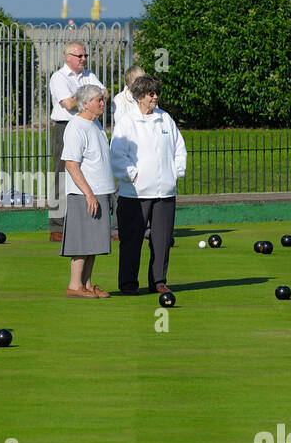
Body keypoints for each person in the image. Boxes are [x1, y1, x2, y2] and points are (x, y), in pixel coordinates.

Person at [109, 74, 187, 296]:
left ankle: (158, 281)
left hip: (165, 192)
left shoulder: (165, 119)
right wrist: (133, 176)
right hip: (135, 194)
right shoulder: (126, 122)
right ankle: (128, 283)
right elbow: (117, 155)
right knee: (131, 241)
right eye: (151, 93)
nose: (155, 97)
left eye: (157, 93)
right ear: (139, 96)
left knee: (161, 241)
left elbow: (179, 149)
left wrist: (175, 172)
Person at [46, 40, 105, 241]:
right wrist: (88, 95)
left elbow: (104, 93)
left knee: (93, 171)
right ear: (68, 57)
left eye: (85, 55)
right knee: (61, 174)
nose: (83, 59)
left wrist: (88, 98)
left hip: (89, 125)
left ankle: (89, 219)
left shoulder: (89, 75)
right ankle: (57, 226)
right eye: (79, 56)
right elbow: (69, 104)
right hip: (65, 127)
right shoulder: (58, 77)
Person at [61, 84, 115, 298]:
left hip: (101, 192)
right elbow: (71, 164)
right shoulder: (76, 127)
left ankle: (87, 284)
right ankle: (74, 285)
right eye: (98, 100)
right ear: (85, 104)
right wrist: (89, 194)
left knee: (94, 241)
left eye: (102, 99)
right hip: (84, 194)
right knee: (82, 241)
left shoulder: (97, 124)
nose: (103, 103)